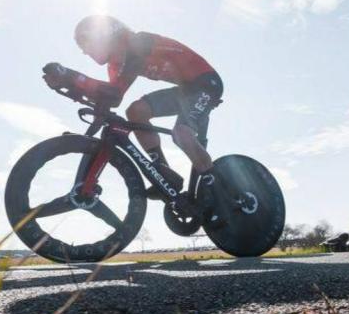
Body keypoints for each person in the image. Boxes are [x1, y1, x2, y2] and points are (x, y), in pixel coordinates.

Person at [42, 16, 223, 209]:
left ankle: (215, 187)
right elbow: (112, 99)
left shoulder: (139, 42)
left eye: (85, 42)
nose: (85, 51)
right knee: (136, 111)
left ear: (103, 34)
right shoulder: (115, 65)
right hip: (184, 90)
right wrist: (73, 89)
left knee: (181, 133)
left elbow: (114, 92)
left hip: (205, 84)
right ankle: (162, 171)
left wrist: (70, 76)